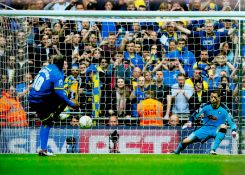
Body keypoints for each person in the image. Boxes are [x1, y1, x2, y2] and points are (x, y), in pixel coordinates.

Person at [28, 55, 78, 156]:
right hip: (40, 100)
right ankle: (54, 116)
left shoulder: (47, 67)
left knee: (46, 122)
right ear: (62, 64)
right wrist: (71, 104)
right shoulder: (57, 73)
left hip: (35, 97)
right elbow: (59, 93)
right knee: (49, 120)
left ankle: (43, 149)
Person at [172, 90, 238, 155]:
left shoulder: (225, 109)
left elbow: (232, 122)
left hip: (216, 129)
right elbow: (195, 114)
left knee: (223, 126)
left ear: (219, 98)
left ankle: (213, 150)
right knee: (185, 141)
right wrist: (190, 121)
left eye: (214, 97)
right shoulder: (205, 106)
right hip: (205, 128)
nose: (213, 99)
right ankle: (176, 152)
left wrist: (234, 130)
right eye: (211, 97)